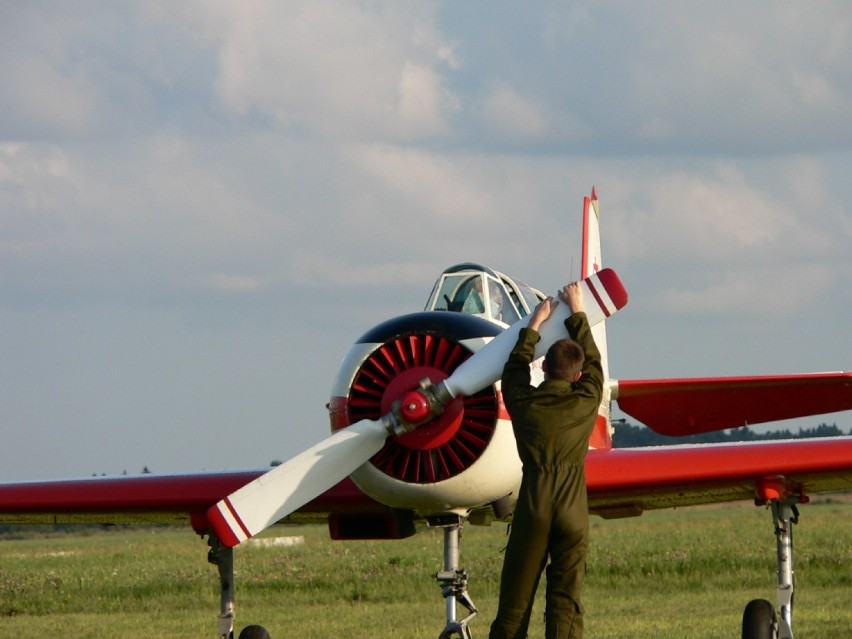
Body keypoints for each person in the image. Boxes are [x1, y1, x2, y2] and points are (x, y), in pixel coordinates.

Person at [489, 281, 604, 639]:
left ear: (546, 368)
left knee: (515, 604)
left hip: (533, 506)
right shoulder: (586, 399)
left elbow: (514, 369)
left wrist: (534, 323)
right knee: (565, 602)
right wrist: (578, 310)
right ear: (577, 375)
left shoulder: (524, 403)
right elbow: (596, 364)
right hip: (572, 511)